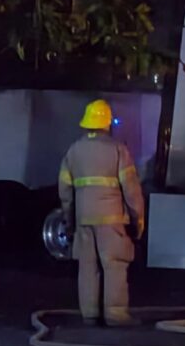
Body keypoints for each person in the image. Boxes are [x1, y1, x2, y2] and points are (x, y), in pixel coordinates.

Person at [58, 99, 145, 326]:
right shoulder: (118, 149)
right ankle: (115, 314)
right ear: (107, 123)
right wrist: (138, 219)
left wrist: (69, 220)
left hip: (83, 219)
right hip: (111, 220)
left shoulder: (74, 151)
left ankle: (89, 314)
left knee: (87, 266)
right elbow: (131, 189)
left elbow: (65, 191)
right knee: (114, 263)